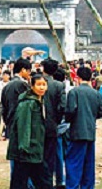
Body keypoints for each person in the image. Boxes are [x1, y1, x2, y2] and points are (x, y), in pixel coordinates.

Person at [6, 74, 52, 189]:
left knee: (34, 179)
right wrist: (24, 147)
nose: (42, 88)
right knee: (22, 181)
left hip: (35, 148)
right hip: (26, 150)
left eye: (44, 85)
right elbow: (23, 126)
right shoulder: (27, 103)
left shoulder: (40, 101)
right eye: (38, 85)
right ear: (32, 86)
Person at [65, 66, 102, 189]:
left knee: (74, 163)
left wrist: (68, 119)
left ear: (78, 77)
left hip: (76, 131)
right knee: (89, 164)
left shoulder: (74, 92)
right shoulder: (96, 93)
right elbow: (100, 112)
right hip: (90, 131)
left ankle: (73, 186)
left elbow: (70, 111)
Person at [41, 58, 66, 186]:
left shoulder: (35, 82)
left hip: (38, 126)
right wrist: (56, 119)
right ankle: (49, 183)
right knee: (50, 157)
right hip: (52, 126)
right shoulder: (59, 85)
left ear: (43, 68)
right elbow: (62, 106)